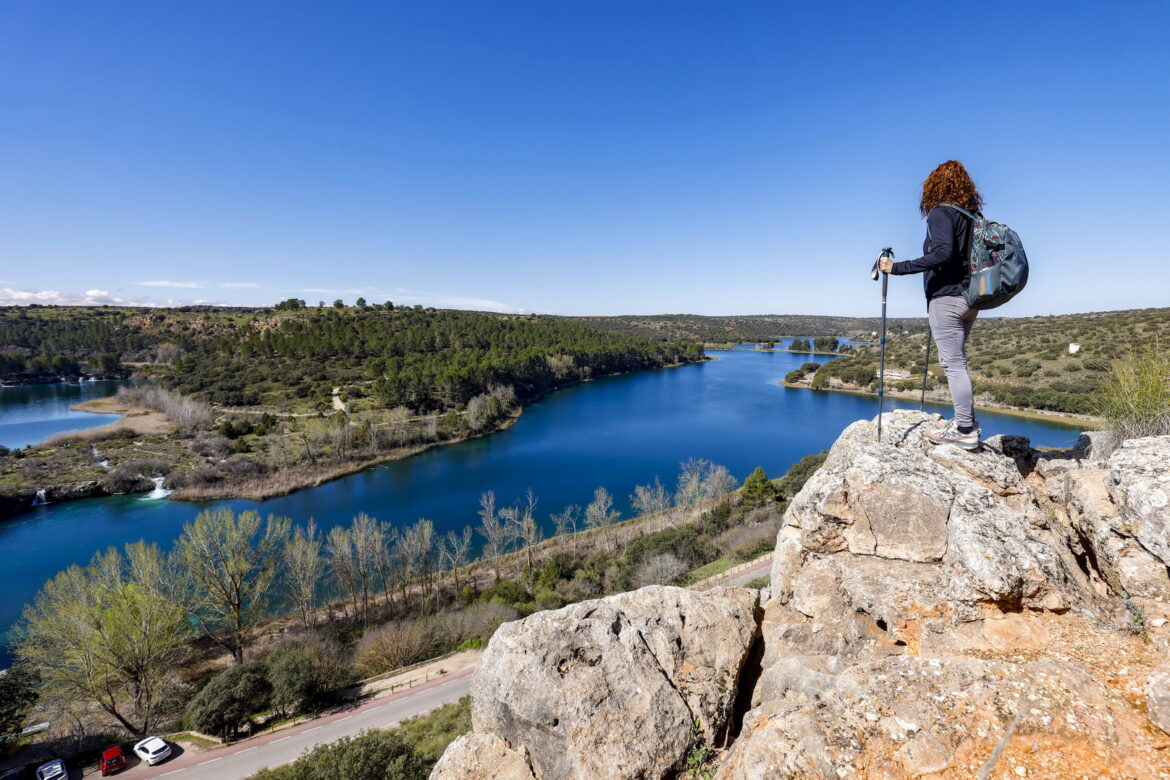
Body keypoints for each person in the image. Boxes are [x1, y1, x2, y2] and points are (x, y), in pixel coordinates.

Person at [878, 160, 982, 449]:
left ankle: (964, 431)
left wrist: (895, 268)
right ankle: (965, 421)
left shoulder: (941, 213)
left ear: (934, 186)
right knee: (957, 362)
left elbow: (942, 253)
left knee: (953, 364)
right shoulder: (971, 216)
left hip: (947, 298)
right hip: (971, 297)